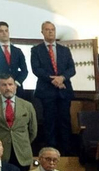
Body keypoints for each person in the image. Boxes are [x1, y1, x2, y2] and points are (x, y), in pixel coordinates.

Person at [30, 22, 77, 152]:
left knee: (65, 121)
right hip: (46, 92)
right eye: (47, 30)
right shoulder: (36, 50)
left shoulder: (64, 50)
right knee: (49, 122)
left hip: (64, 91)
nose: (50, 32)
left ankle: (66, 151)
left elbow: (72, 69)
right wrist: (53, 80)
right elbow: (36, 69)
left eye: (52, 29)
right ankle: (50, 150)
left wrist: (62, 78)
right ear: (42, 32)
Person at [0, 76, 39, 167]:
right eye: (4, 85)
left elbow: (33, 130)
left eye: (10, 84)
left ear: (15, 86)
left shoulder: (27, 106)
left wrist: (21, 141)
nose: (8, 88)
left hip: (22, 153)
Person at [0, 21, 28, 88]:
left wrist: (16, 83)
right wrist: (1, 84)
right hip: (0, 87)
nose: (4, 33)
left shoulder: (17, 51)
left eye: (6, 30)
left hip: (16, 86)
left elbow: (24, 70)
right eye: (1, 31)